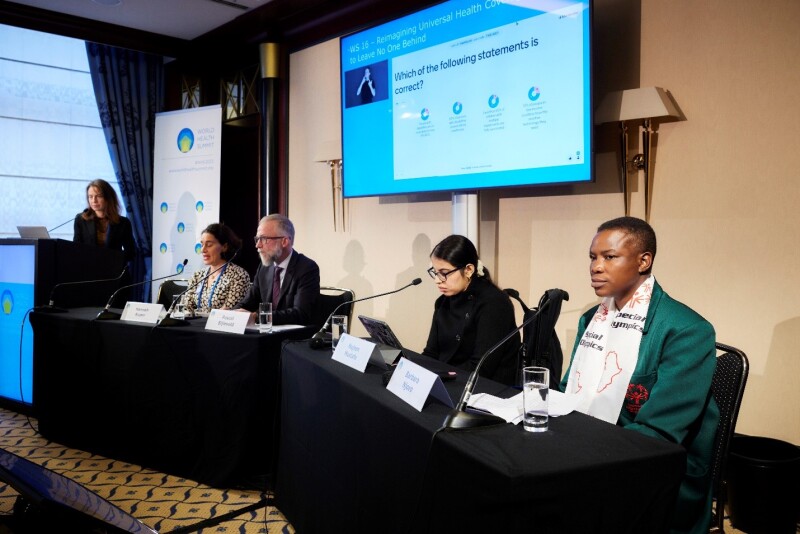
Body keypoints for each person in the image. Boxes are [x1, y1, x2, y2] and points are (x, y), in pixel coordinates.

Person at [560, 216, 718, 534]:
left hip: (660, 468)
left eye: (610, 257)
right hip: (595, 448)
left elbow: (660, 433)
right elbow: (567, 391)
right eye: (593, 257)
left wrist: (580, 454)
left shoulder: (687, 330)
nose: (596, 266)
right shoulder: (592, 318)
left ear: (644, 261)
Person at [422, 235, 519, 385]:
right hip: (451, 380)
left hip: (486, 391)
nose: (437, 280)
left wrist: (437, 378)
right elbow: (431, 353)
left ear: (468, 270)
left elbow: (481, 368)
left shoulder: (494, 303)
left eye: (444, 273)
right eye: (435, 272)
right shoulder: (442, 302)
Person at [235, 214, 320, 326]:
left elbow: (300, 313)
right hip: (267, 334)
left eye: (264, 239)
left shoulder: (307, 268)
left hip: (293, 338)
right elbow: (248, 302)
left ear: (284, 241)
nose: (257, 245)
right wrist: (231, 313)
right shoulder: (264, 268)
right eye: (257, 239)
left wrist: (257, 317)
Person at [178, 223, 251, 315]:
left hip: (220, 327)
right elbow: (185, 308)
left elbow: (229, 311)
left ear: (224, 247)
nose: (203, 250)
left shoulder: (238, 275)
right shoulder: (197, 275)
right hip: (194, 327)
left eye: (209, 245)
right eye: (202, 244)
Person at [73, 179, 136, 262]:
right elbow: (76, 249)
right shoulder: (80, 220)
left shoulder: (123, 223)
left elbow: (131, 252)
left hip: (114, 270)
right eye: (90, 197)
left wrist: (115, 260)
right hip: (88, 269)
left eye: (98, 196)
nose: (94, 201)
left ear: (108, 198)